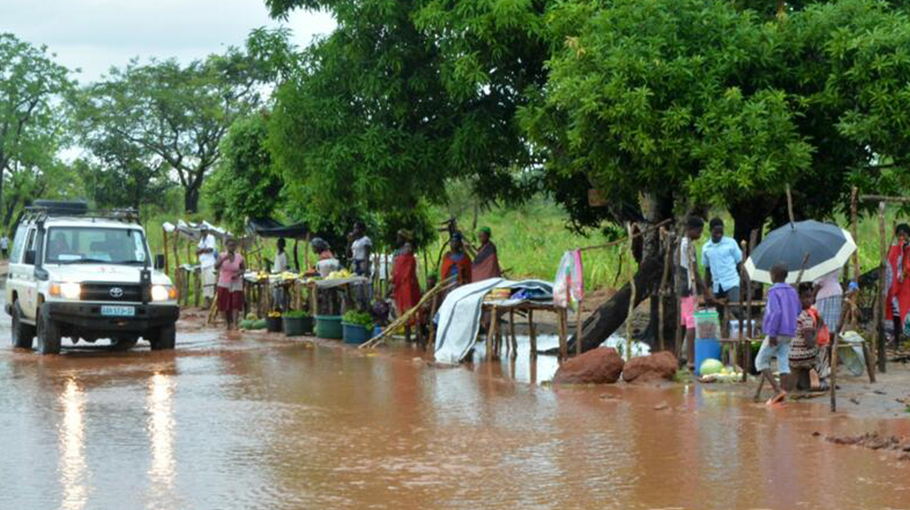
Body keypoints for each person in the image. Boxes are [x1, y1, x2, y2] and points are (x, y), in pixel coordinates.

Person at [754, 264, 801, 405]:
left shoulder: (773, 291)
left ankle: (777, 390)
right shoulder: (793, 291)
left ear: (773, 276)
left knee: (760, 361)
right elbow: (798, 310)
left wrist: (772, 333)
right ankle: (783, 394)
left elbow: (775, 312)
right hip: (789, 332)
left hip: (777, 331)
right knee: (783, 362)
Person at [678, 215, 708, 370]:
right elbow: (694, 271)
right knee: (691, 323)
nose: (700, 234)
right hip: (689, 287)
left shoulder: (679, 243)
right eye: (699, 231)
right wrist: (706, 291)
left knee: (684, 322)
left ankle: (681, 356)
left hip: (681, 286)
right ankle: (691, 359)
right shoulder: (688, 245)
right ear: (691, 230)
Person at [701, 218, 742, 320]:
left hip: (731, 282)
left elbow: (740, 263)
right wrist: (705, 289)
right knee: (720, 313)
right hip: (717, 285)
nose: (719, 234)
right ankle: (726, 334)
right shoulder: (706, 248)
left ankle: (746, 328)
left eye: (721, 231)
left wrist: (744, 280)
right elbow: (707, 270)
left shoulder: (731, 243)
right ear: (710, 231)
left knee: (735, 309)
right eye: (716, 232)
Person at [789, 284, 821, 392]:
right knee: (819, 353)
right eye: (805, 297)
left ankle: (798, 385)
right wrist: (819, 328)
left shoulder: (793, 313)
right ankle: (818, 381)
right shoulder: (807, 317)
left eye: (810, 297)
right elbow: (809, 343)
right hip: (803, 356)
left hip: (791, 354)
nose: (809, 300)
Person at [812, 268, 841, 379]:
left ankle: (825, 362)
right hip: (836, 292)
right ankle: (831, 361)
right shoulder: (834, 262)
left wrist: (812, 296)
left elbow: (819, 282)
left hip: (825, 296)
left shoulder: (822, 265)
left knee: (822, 328)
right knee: (832, 328)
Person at [391, 241, 422, 341]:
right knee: (404, 313)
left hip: (410, 288)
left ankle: (417, 334)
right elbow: (395, 273)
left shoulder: (412, 259)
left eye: (410, 247)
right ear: (403, 248)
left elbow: (408, 273)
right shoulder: (399, 259)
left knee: (413, 310)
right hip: (400, 289)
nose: (408, 249)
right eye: (406, 246)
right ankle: (407, 336)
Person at [886, 223, 910, 346]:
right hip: (896, 286)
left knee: (907, 312)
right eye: (899, 235)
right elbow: (889, 266)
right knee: (896, 313)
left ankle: (904, 339)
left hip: (907, 287)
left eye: (904, 235)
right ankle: (896, 338)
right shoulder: (894, 249)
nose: (902, 238)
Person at [214, 238, 245, 330]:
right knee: (226, 304)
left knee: (235, 303)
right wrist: (224, 259)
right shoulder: (221, 255)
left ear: (236, 247)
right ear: (226, 246)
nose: (232, 247)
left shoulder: (239, 257)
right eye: (230, 245)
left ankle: (235, 324)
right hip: (224, 282)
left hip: (236, 282)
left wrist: (238, 274)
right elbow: (216, 266)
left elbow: (243, 269)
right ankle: (228, 324)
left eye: (233, 245)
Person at [196, 227, 218, 309]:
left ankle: (213, 303)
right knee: (204, 284)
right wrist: (202, 250)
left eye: (204, 231)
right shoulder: (202, 240)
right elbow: (196, 251)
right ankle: (206, 303)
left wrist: (201, 250)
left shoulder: (211, 238)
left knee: (211, 283)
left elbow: (210, 249)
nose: (203, 232)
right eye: (202, 231)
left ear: (207, 231)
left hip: (210, 264)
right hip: (203, 265)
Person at [272, 238, 289, 311]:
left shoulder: (284, 254)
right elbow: (276, 264)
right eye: (278, 243)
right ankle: (277, 307)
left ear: (283, 245)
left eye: (280, 243)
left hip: (282, 276)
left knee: (281, 293)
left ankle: (282, 308)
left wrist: (281, 274)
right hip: (276, 275)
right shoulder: (276, 253)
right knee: (275, 292)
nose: (278, 245)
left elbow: (284, 267)